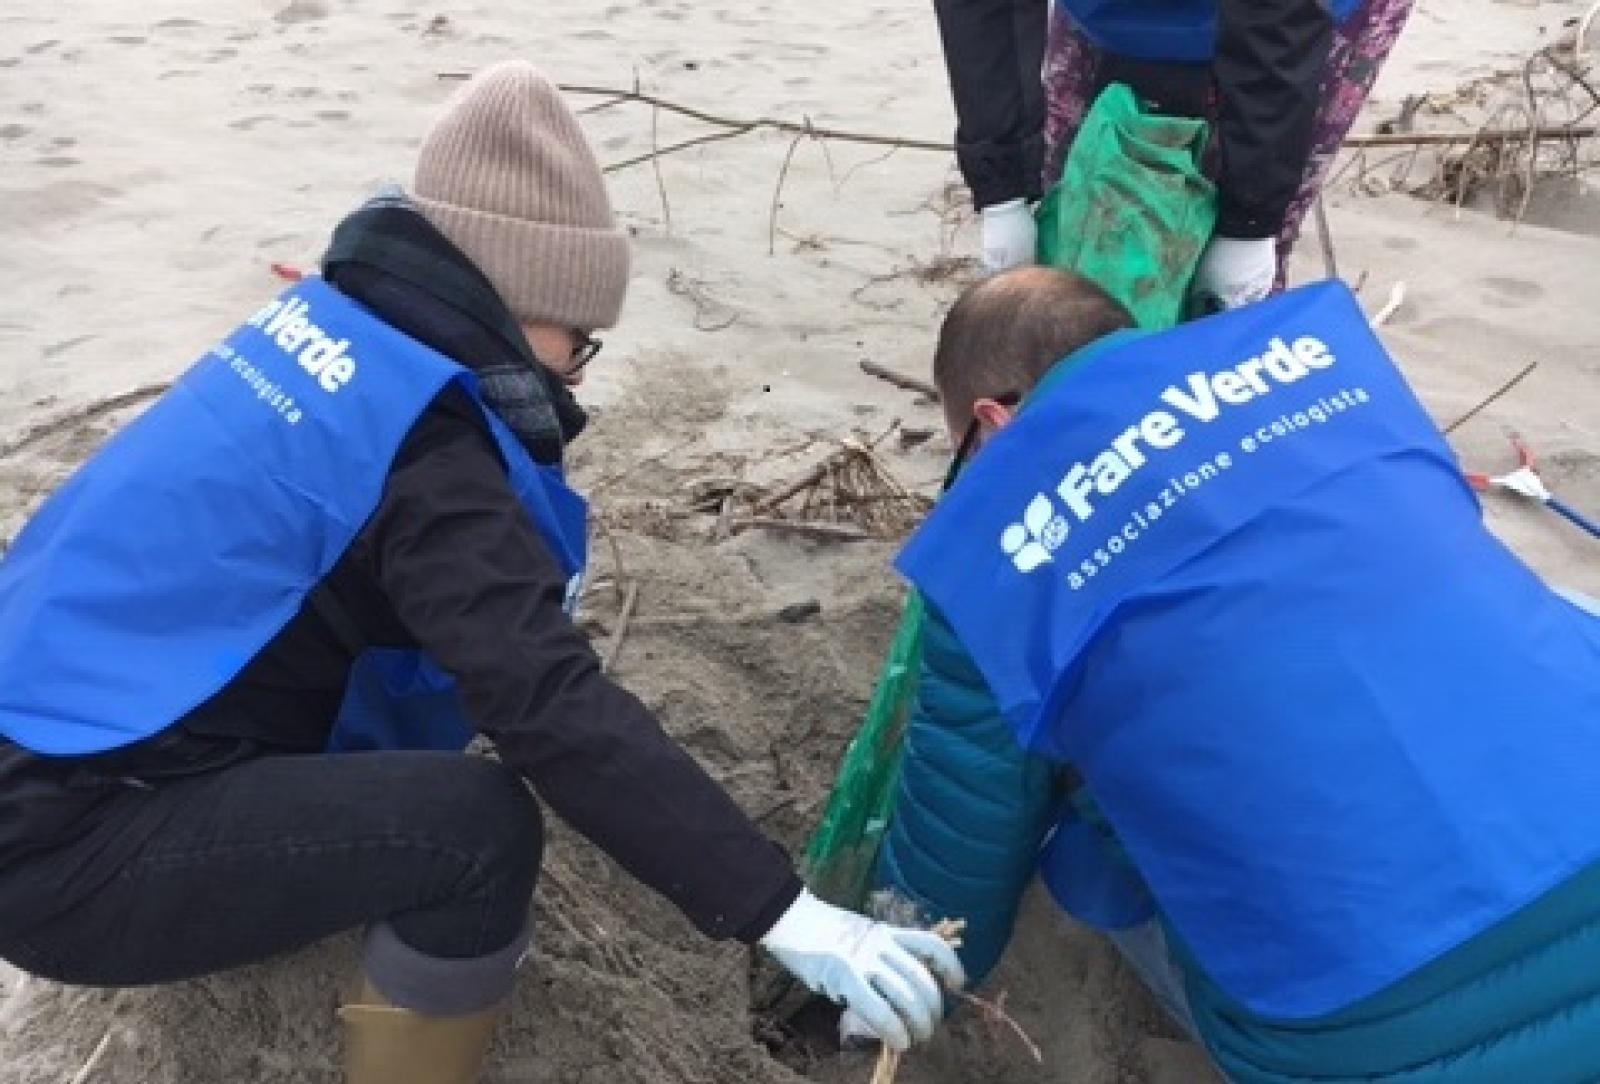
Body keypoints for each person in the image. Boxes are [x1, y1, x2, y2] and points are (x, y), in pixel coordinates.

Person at [0, 61, 962, 1084]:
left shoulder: (322, 333)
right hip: (63, 856)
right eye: (579, 342)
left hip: (54, 740)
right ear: (513, 298)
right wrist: (781, 911)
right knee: (476, 830)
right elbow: (541, 699)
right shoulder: (430, 459)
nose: (577, 376)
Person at [872, 266, 1600, 1080]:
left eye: (961, 461)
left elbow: (952, 876)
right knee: (1555, 604)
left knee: (1075, 827)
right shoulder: (1327, 368)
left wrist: (872, 969)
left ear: (993, 423)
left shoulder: (1009, 530)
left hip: (1366, 1029)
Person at [935, 0, 1413, 308]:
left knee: (1228, 283)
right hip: (1105, 17)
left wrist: (1251, 220)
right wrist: (1002, 187)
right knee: (1077, 243)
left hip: (1295, 19)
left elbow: (1277, 20)